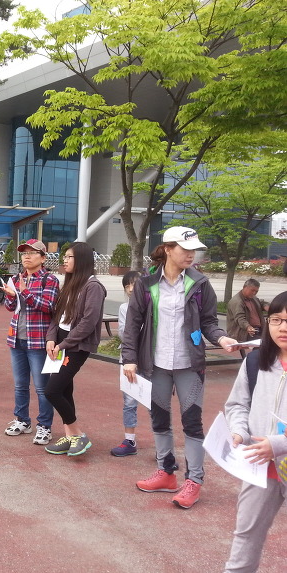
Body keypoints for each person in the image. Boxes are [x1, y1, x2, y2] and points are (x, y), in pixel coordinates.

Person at [122, 226, 237, 509]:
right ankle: (166, 473)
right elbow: (132, 326)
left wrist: (222, 338)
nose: (191, 255)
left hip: (189, 365)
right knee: (159, 420)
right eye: (185, 249)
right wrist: (129, 358)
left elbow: (209, 322)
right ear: (167, 249)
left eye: (194, 250)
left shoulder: (200, 284)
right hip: (155, 365)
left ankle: (194, 480)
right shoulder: (146, 284)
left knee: (192, 423)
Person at [223, 290, 287, 572]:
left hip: (279, 455)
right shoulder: (256, 361)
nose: (283, 327)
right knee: (246, 535)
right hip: (260, 466)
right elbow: (238, 404)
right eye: (276, 320)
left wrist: (279, 443)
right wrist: (239, 431)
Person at [43, 242, 106, 456]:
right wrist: (51, 338)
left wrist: (63, 344)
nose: (65, 260)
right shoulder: (69, 284)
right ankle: (70, 437)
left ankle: (78, 434)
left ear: (82, 260)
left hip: (76, 345)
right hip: (61, 342)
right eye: (65, 257)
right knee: (64, 390)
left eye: (69, 257)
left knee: (52, 391)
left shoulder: (93, 287)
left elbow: (88, 322)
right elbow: (57, 316)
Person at [2, 239, 60, 445]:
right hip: (16, 338)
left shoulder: (49, 280)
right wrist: (11, 295)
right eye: (24, 253)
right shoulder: (15, 278)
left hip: (38, 341)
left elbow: (48, 306)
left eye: (32, 253)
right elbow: (11, 307)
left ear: (43, 258)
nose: (26, 256)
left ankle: (44, 426)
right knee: (20, 385)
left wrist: (24, 292)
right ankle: (22, 420)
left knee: (42, 387)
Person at [111, 270, 143, 456]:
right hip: (128, 358)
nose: (130, 289)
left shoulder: (152, 306)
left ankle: (163, 445)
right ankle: (129, 440)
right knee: (129, 401)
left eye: (134, 284)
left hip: (150, 360)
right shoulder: (125, 308)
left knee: (156, 402)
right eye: (127, 286)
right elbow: (124, 334)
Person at [227, 278, 268, 343]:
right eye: (252, 290)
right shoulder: (237, 301)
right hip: (243, 333)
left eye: (256, 291)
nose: (254, 293)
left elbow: (260, 302)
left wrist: (266, 306)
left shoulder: (252, 297)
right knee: (263, 344)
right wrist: (248, 327)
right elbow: (240, 318)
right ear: (244, 287)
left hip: (258, 330)